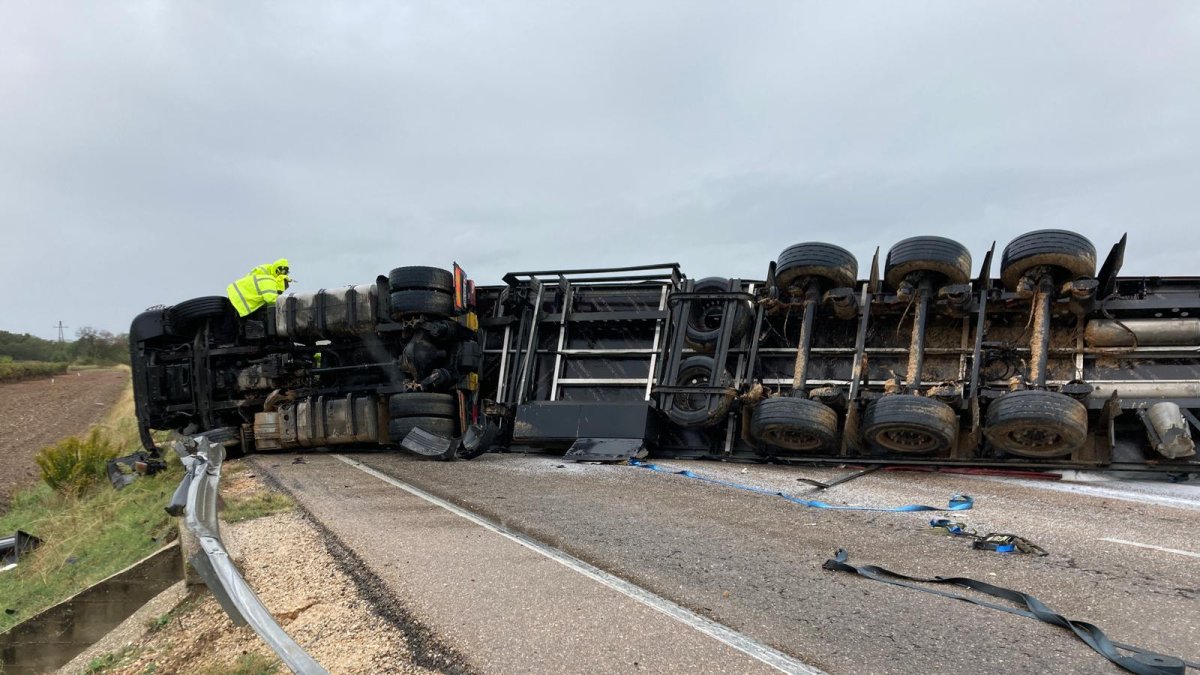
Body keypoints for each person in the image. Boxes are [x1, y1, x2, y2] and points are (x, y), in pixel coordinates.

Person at [226, 258, 293, 317]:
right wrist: (288, 304)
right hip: (238, 298)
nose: (279, 293)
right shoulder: (268, 280)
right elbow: (271, 299)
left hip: (240, 296)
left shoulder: (270, 278)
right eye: (280, 290)